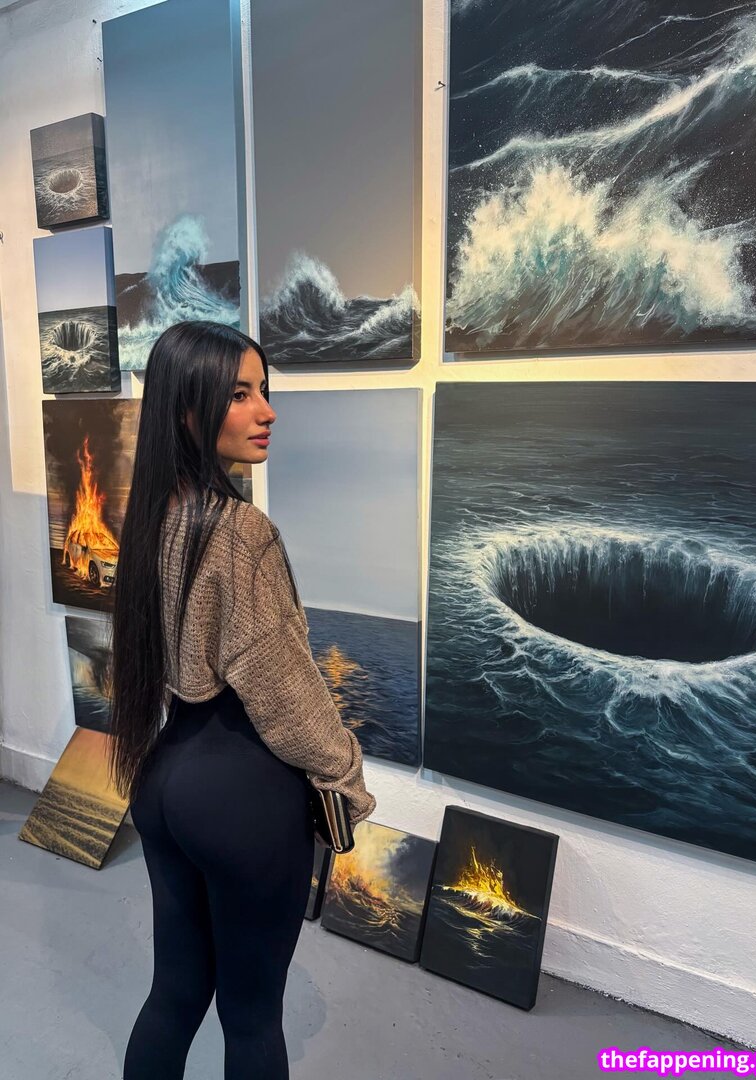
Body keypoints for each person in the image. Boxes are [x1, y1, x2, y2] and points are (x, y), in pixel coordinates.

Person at [107, 320, 376, 1080]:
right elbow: (285, 690)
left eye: (264, 390)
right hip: (240, 796)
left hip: (163, 778)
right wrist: (346, 778)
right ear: (188, 410)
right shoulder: (240, 533)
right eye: (240, 394)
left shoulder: (151, 515)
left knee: (173, 994)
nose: (267, 411)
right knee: (253, 1019)